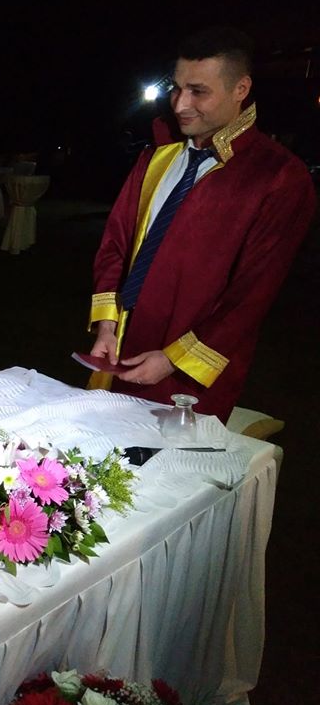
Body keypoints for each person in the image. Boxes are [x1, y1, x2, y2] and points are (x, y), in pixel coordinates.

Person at [87, 27, 315, 421]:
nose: (180, 105)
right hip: (120, 345)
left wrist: (174, 359)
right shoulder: (157, 157)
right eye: (176, 89)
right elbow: (116, 243)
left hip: (190, 372)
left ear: (241, 89)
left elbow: (252, 294)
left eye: (198, 91)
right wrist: (107, 325)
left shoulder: (278, 176)